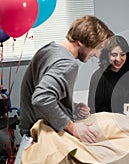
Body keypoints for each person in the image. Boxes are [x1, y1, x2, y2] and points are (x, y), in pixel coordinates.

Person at [19, 15, 114, 143]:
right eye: (97, 48)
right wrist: (73, 127)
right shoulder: (67, 64)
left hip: (29, 128)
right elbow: (41, 98)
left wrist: (72, 107)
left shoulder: (49, 49)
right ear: (81, 42)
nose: (97, 55)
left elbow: (43, 90)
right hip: (39, 135)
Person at [88, 35, 129, 114]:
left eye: (122, 54)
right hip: (106, 121)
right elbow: (94, 110)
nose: (119, 59)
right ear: (106, 55)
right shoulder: (98, 77)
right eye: (114, 55)